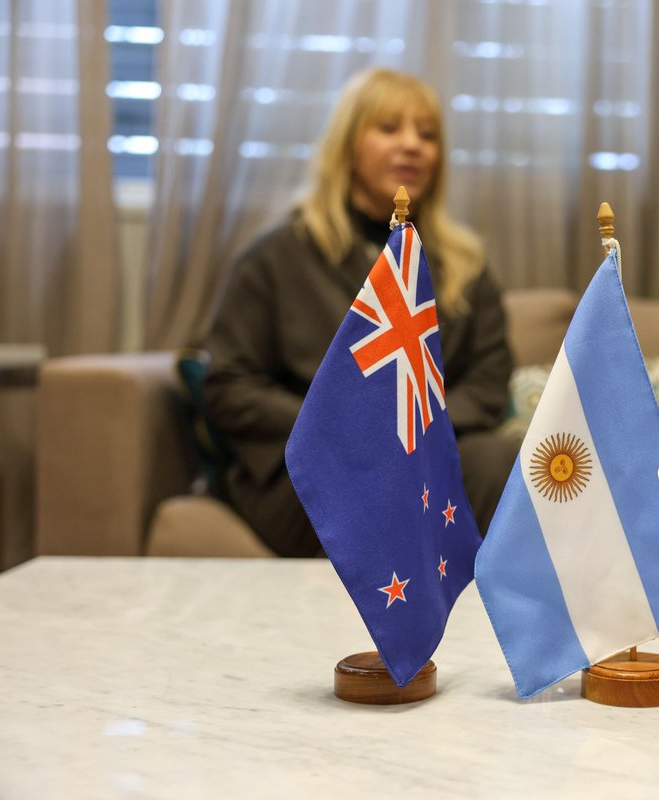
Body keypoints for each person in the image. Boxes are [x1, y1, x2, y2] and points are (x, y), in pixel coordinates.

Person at [203, 69, 516, 557]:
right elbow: (230, 385)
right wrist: (348, 430)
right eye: (389, 128)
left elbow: (490, 378)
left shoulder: (465, 265)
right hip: (318, 464)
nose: (412, 145)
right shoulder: (279, 257)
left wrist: (419, 431)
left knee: (498, 459)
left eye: (427, 134)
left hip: (431, 454)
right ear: (348, 146)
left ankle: (478, 625)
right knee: (378, 488)